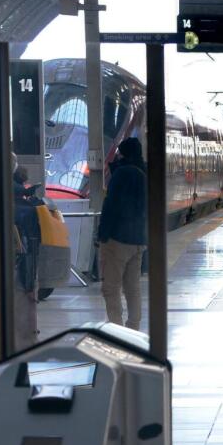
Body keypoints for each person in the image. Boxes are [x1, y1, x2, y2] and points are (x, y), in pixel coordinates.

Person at [97, 136, 148, 330]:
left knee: (111, 288)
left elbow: (111, 207)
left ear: (123, 153)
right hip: (138, 240)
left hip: (118, 239)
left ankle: (116, 329)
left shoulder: (122, 174)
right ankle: (133, 326)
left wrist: (103, 234)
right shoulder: (143, 172)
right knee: (132, 288)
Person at [12, 164, 42, 349]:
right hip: (24, 262)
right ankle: (28, 338)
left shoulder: (14, 206)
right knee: (26, 298)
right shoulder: (27, 209)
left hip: (18, 262)